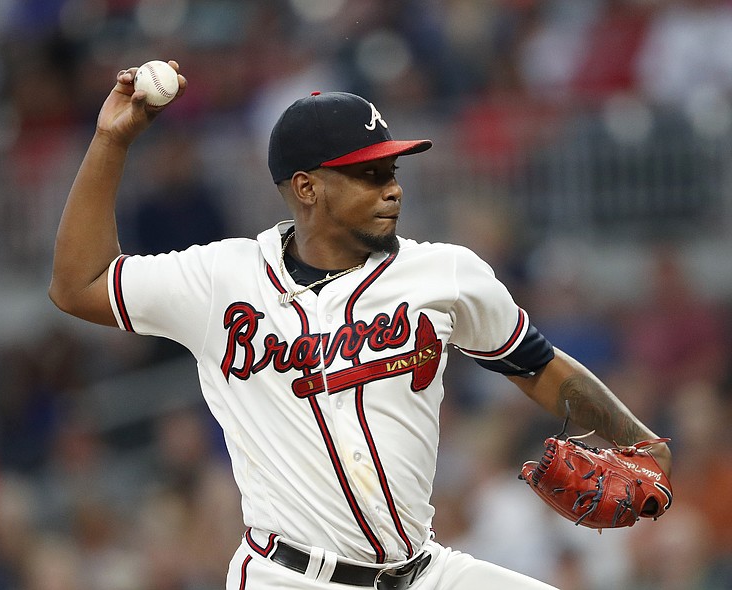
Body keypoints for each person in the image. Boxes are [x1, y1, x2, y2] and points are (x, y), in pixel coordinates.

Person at [49, 61, 672, 590]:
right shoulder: (221, 279)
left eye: (392, 170)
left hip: (423, 570)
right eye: (368, 174)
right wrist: (112, 142)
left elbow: (537, 365)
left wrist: (639, 439)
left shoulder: (447, 274)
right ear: (306, 187)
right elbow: (77, 286)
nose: (391, 189)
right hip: (287, 577)